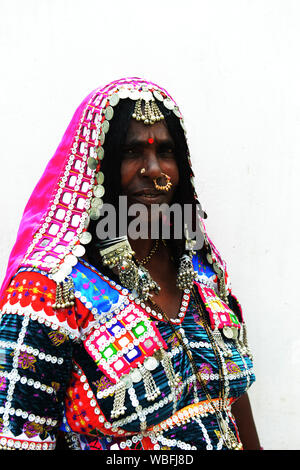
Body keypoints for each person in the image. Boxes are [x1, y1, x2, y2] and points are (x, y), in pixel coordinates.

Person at [0, 77, 261, 450]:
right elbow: (17, 439)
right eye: (131, 152)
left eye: (166, 152)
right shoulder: (48, 288)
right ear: (96, 166)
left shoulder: (202, 270)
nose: (154, 169)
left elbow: (233, 400)